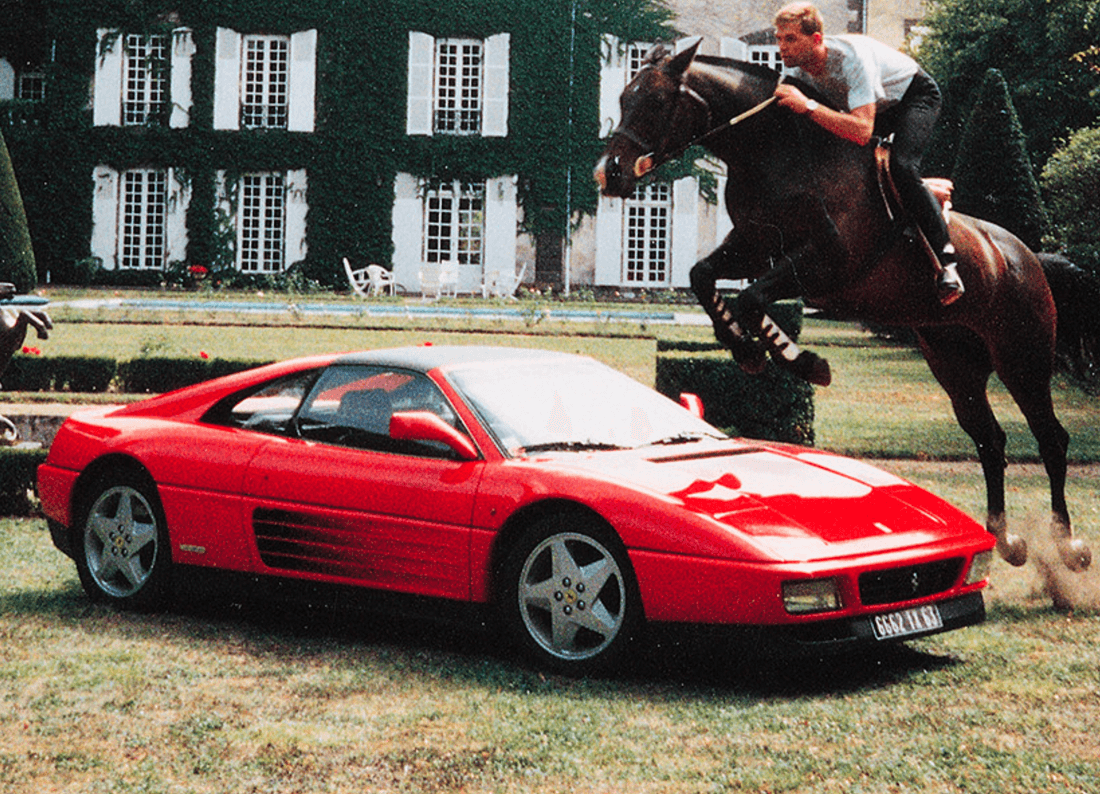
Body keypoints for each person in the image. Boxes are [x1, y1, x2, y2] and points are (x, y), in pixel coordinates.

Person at [771, 2, 964, 305]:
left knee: (901, 165)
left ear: (817, 39)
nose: (782, 47)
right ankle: (921, 192)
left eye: (791, 39)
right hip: (874, 110)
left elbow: (861, 131)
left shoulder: (851, 59)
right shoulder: (795, 68)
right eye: (779, 39)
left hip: (913, 98)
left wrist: (807, 106)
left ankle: (947, 264)